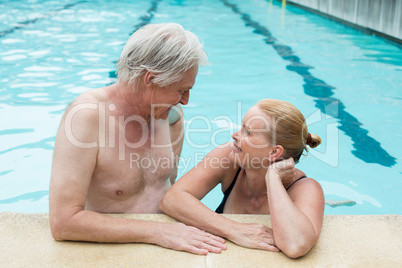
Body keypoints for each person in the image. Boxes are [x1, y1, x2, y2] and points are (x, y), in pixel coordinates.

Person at [49, 23, 226, 255]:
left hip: (171, 244)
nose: (186, 100)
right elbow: (63, 222)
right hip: (112, 253)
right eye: (181, 90)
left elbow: (169, 188)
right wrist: (158, 233)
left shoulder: (170, 115)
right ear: (150, 79)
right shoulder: (87, 117)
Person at [160, 99, 325, 258]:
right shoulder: (229, 157)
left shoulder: (305, 188)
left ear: (274, 152)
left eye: (247, 132)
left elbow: (296, 245)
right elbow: (171, 199)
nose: (234, 135)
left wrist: (273, 179)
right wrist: (233, 229)